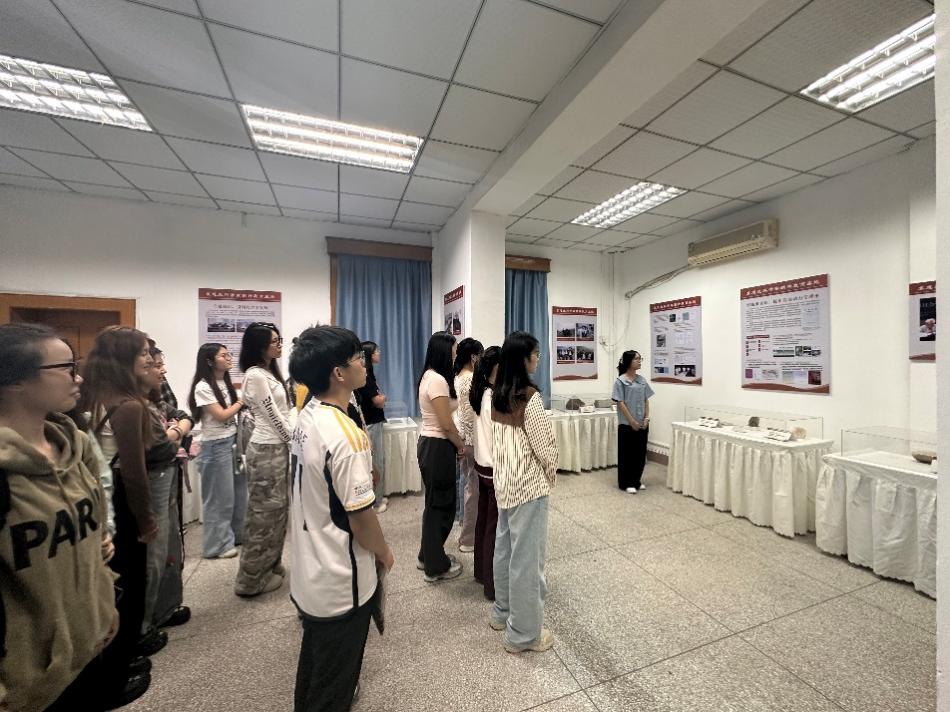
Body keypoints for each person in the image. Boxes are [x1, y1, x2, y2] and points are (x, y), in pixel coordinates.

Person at [0, 324, 130, 711]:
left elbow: (92, 536)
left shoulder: (73, 443)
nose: (79, 378)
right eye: (66, 368)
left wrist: (104, 601)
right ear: (16, 381)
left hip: (89, 646)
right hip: (27, 682)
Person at [288, 326, 394, 712]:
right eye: (357, 359)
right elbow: (361, 518)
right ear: (338, 373)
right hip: (339, 577)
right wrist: (384, 552)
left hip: (310, 568)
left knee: (316, 666)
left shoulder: (308, 415)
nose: (364, 364)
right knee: (334, 682)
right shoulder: (344, 434)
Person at [81, 326, 164, 690]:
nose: (149, 359)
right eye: (143, 353)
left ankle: (118, 657)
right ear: (123, 358)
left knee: (111, 582)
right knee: (129, 581)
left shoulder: (93, 395)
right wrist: (146, 520)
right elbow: (134, 473)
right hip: (121, 501)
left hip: (101, 498)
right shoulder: (129, 405)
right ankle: (119, 669)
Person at [490, 331, 558, 654]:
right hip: (529, 487)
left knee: (505, 550)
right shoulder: (529, 399)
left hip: (504, 482)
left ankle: (502, 613)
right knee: (527, 562)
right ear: (523, 359)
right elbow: (545, 448)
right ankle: (524, 634)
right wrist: (551, 474)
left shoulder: (496, 395)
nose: (538, 359)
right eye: (535, 354)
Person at [234, 323, 294, 597]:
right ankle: (250, 579)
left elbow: (285, 412)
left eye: (280, 340)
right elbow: (274, 417)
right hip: (267, 449)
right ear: (259, 346)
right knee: (263, 514)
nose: (280, 345)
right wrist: (293, 440)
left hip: (276, 448)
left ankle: (270, 565)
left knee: (278, 510)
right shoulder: (256, 375)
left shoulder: (269, 372)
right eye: (274, 341)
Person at [142, 342, 194, 633]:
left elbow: (184, 415)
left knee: (171, 542)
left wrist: (174, 429)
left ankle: (165, 608)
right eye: (155, 364)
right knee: (154, 550)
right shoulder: (131, 406)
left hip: (168, 473)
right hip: (152, 480)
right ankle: (145, 625)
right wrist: (175, 433)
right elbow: (159, 447)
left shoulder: (156, 398)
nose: (162, 371)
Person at [188, 343, 246, 559]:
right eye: (223, 355)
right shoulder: (202, 387)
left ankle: (237, 535)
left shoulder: (225, 383)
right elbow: (221, 415)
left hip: (232, 441)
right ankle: (217, 546)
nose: (229, 358)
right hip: (215, 445)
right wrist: (241, 402)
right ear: (210, 361)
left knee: (238, 494)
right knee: (219, 499)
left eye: (229, 354)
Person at [416, 331, 465, 582]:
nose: (456, 356)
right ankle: (436, 567)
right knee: (442, 506)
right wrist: (460, 445)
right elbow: (446, 425)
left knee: (434, 504)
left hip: (431, 443)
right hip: (438, 445)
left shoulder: (429, 375)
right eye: (454, 352)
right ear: (444, 352)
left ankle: (427, 556)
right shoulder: (437, 380)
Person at [470, 345, 500, 601]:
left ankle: (481, 571)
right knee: (494, 527)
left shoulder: (481, 393)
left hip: (482, 464)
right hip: (493, 468)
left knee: (484, 521)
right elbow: (498, 439)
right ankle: (492, 584)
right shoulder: (493, 399)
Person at [453, 338, 483, 553]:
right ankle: (468, 539)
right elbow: (470, 415)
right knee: (473, 489)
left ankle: (463, 523)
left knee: (466, 484)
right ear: (473, 357)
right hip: (471, 440)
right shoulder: (470, 379)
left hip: (462, 437)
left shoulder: (458, 377)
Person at [612, 350, 654, 494]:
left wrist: (647, 418)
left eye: (640, 358)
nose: (639, 361)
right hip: (627, 424)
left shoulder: (642, 380)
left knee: (640, 454)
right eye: (637, 359)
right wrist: (632, 421)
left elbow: (646, 400)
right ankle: (625, 483)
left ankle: (636, 480)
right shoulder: (620, 381)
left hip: (642, 423)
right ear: (628, 361)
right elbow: (620, 403)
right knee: (627, 454)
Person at [356, 341, 387, 514]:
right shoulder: (366, 375)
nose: (379, 353)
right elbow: (378, 401)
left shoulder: (369, 374)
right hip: (371, 423)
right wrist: (383, 399)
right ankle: (376, 502)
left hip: (373, 421)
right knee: (376, 462)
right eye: (376, 351)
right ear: (369, 354)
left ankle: (379, 496)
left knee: (377, 461)